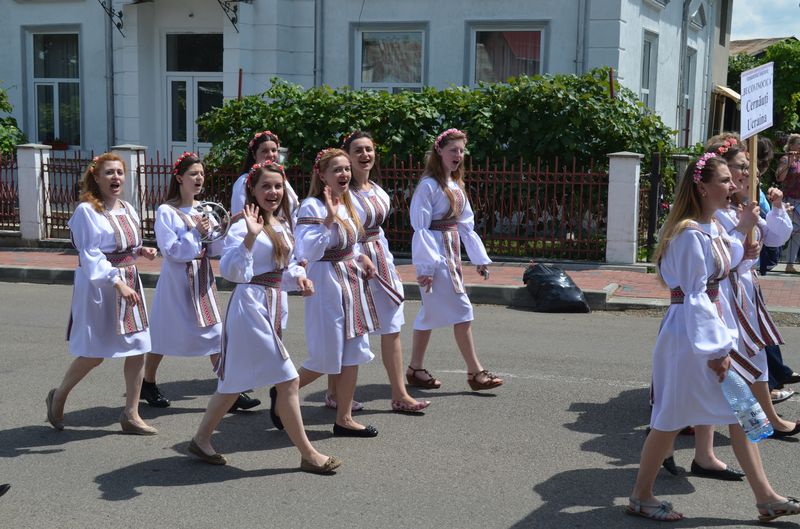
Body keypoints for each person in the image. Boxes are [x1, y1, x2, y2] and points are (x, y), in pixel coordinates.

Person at [627, 152, 799, 523]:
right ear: (702, 188)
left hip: (709, 334)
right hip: (691, 339)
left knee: (743, 413)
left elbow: (724, 262)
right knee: (670, 419)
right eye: (725, 180)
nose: (733, 186)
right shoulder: (689, 233)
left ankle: (766, 498)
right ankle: (641, 496)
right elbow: (695, 295)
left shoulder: (712, 228)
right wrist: (717, 349)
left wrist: (744, 243)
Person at [189, 162, 340, 474]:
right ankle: (308, 454)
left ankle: (201, 439)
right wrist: (249, 237)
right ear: (253, 191)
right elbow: (232, 271)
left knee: (233, 382)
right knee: (289, 380)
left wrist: (299, 278)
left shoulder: (282, 223)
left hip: (271, 305)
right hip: (250, 308)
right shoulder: (242, 225)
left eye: (278, 186)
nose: (273, 192)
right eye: (266, 186)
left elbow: (284, 267)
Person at [45, 153, 158, 435]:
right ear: (96, 177)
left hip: (129, 281)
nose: (116, 177)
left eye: (119, 172)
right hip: (101, 288)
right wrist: (116, 282)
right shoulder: (87, 211)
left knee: (138, 346)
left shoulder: (128, 208)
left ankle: (131, 414)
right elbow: (91, 254)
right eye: (109, 172)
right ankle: (59, 395)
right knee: (94, 353)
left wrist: (140, 250)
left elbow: (123, 244)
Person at [142, 152, 258, 412]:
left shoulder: (205, 209)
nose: (199, 178)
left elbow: (216, 248)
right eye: (193, 174)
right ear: (179, 178)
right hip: (177, 281)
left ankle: (229, 387)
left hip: (201, 277)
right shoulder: (166, 211)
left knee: (216, 333)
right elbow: (171, 251)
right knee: (164, 332)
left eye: (202, 174)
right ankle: (147, 382)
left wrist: (224, 227)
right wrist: (196, 232)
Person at [325, 131, 430, 413]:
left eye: (369, 149)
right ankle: (333, 393)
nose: (365, 155)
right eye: (358, 150)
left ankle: (399, 394)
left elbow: (379, 232)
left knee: (392, 325)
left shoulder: (377, 190)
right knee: (349, 330)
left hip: (380, 261)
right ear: (347, 156)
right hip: (352, 263)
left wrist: (390, 265)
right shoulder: (342, 194)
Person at [710, 139, 800, 437]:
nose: (749, 174)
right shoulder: (712, 212)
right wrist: (742, 229)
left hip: (745, 292)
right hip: (724, 295)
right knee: (730, 362)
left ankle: (763, 421)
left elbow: (775, 239)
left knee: (753, 356)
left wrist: (775, 208)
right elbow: (719, 257)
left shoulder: (740, 206)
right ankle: (671, 425)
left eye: (749, 168)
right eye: (741, 167)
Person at [291, 148, 380, 438]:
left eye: (346, 169)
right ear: (322, 175)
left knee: (353, 352)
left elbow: (351, 241)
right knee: (327, 355)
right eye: (337, 170)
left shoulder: (347, 201)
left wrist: (361, 257)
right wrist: (328, 220)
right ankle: (284, 391)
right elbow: (308, 252)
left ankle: (344, 419)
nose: (344, 174)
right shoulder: (312, 206)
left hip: (350, 281)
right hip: (326, 282)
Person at [405, 128, 503, 391]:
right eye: (453, 150)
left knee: (428, 314)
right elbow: (421, 228)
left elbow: (465, 225)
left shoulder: (456, 184)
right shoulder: (428, 185)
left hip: (451, 255)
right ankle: (475, 372)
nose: (458, 155)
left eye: (461, 151)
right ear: (439, 151)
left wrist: (479, 258)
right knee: (463, 310)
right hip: (437, 259)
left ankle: (415, 369)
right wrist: (426, 267)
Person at [231, 130, 298, 217]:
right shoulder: (244, 181)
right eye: (265, 151)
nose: (270, 155)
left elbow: (294, 207)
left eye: (274, 150)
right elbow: (238, 214)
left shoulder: (280, 178)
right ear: (254, 155)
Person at [776, 133, 800, 273]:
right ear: (791, 145)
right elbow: (780, 177)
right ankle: (773, 258)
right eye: (798, 143)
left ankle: (790, 263)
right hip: (790, 200)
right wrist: (790, 161)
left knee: (797, 233)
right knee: (789, 230)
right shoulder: (785, 159)